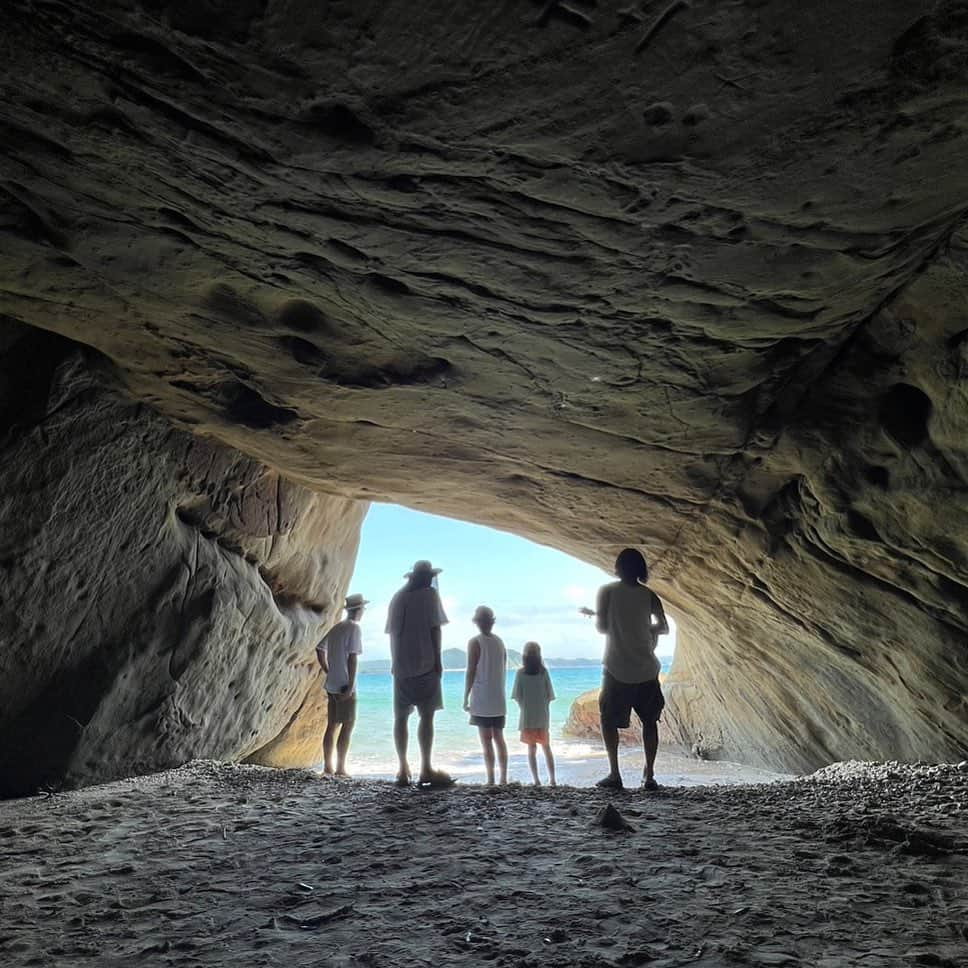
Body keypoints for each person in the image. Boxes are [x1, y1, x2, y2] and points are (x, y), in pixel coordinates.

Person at [584, 548, 669, 790]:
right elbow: (663, 627)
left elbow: (601, 627)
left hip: (617, 668)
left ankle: (615, 775)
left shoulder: (607, 591)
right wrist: (645, 630)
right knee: (650, 721)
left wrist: (613, 621)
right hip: (646, 668)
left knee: (609, 719)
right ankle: (649, 775)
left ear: (618, 568)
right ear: (641, 569)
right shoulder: (649, 595)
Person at [386, 559, 454, 788]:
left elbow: (393, 635)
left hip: (402, 666)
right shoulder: (430, 595)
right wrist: (439, 661)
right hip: (426, 664)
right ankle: (425, 767)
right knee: (427, 717)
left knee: (401, 718)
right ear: (427, 577)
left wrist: (396, 662)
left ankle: (403, 769)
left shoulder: (398, 598)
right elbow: (435, 629)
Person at [316, 592, 368, 777]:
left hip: (331, 683)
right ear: (359, 610)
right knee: (348, 725)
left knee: (332, 726)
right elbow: (353, 658)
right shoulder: (354, 628)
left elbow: (319, 648)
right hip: (345, 684)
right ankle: (340, 769)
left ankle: (327, 767)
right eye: (363, 608)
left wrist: (328, 670)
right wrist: (351, 684)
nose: (364, 611)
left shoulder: (336, 628)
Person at [462, 605, 508, 786]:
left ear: (478, 623)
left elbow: (471, 670)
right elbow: (502, 669)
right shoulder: (500, 642)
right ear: (492, 622)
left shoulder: (475, 642)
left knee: (486, 741)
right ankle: (503, 778)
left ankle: (490, 779)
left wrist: (466, 696)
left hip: (482, 698)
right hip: (498, 698)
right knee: (499, 739)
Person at [511, 641, 557, 787]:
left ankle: (536, 780)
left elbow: (517, 696)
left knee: (531, 749)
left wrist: (525, 708)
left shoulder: (520, 673)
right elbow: (550, 696)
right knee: (546, 748)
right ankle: (552, 780)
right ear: (539, 655)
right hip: (542, 717)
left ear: (524, 655)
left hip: (527, 717)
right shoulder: (543, 672)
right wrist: (543, 709)